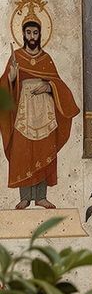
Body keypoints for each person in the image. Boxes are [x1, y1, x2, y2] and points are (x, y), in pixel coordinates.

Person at [1, 16, 79, 209]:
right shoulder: (16, 57)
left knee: (45, 148)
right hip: (23, 113)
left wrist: (49, 86)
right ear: (24, 34)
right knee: (23, 151)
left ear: (40, 34)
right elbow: (4, 86)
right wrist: (10, 79)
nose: (32, 36)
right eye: (28, 33)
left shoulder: (47, 59)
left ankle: (41, 197)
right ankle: (25, 197)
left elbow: (59, 84)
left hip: (44, 112)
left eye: (35, 32)